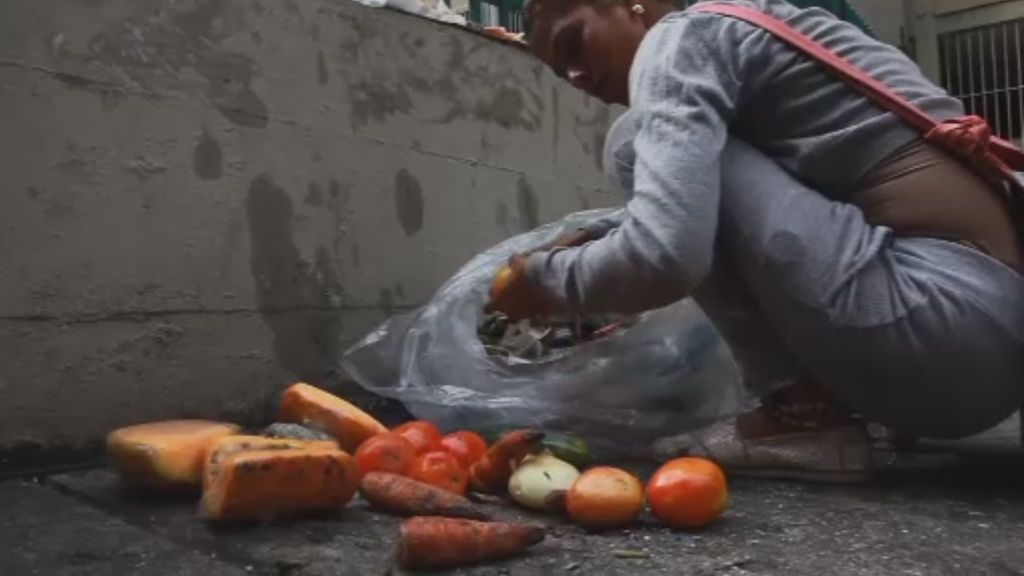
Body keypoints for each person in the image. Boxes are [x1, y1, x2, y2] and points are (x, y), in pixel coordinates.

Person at [487, 0, 1024, 482]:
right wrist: (610, 235)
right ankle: (834, 408)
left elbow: (667, 257)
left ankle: (802, 416)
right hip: (986, 351)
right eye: (562, 72)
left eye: (573, 43)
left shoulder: (679, 43)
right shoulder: (748, 29)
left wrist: (544, 281)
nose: (577, 75)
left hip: (939, 327)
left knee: (632, 141)